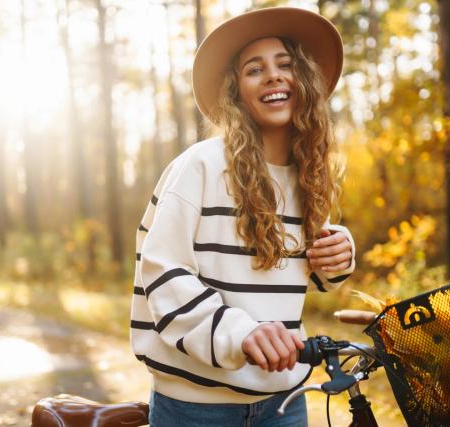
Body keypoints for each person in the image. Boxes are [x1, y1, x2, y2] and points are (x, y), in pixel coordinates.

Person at [130, 7, 355, 427]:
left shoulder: (308, 174)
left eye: (285, 64)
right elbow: (162, 269)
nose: (272, 75)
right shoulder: (200, 165)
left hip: (284, 400)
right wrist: (241, 333)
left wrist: (340, 251)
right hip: (196, 404)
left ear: (303, 80)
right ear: (236, 92)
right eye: (255, 69)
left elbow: (304, 269)